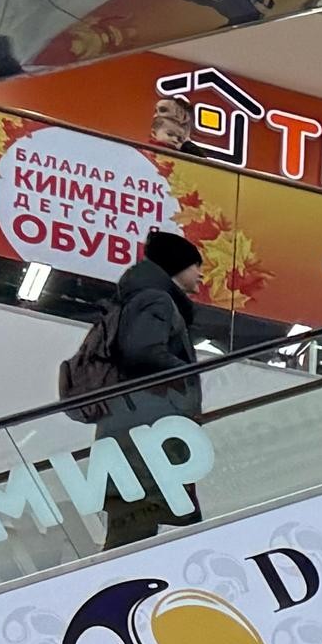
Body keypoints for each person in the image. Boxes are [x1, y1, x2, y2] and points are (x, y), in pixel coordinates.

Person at [96, 229, 208, 547]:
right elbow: (141, 351)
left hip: (139, 439)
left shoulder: (140, 299)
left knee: (142, 535)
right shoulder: (155, 299)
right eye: (195, 265)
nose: (200, 274)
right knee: (137, 539)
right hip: (145, 444)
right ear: (176, 266)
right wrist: (189, 372)